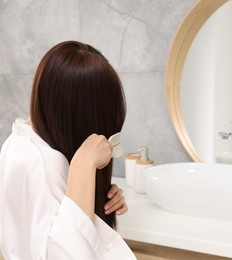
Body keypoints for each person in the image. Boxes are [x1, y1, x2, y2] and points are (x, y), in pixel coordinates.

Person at [0, 41, 136, 259]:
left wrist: (93, 195)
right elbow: (67, 253)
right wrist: (84, 164)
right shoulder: (48, 163)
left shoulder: (17, 141)